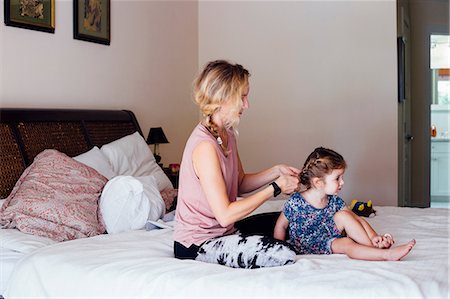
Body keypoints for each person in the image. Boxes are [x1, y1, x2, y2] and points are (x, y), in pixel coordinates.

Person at [173, 60, 300, 263]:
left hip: (225, 233)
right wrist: (276, 188)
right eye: (242, 97)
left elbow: (239, 183)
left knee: (295, 221)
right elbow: (225, 215)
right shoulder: (205, 147)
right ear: (223, 98)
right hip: (198, 245)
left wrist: (276, 171)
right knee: (283, 253)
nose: (247, 104)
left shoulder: (227, 133)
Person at [273, 147, 416, 261]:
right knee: (347, 243)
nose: (342, 182)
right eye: (337, 178)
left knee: (345, 215)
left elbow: (357, 219)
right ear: (318, 182)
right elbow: (281, 225)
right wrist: (279, 250)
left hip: (329, 236)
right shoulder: (296, 202)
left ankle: (374, 245)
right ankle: (385, 255)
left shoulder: (334, 200)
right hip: (307, 244)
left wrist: (374, 236)